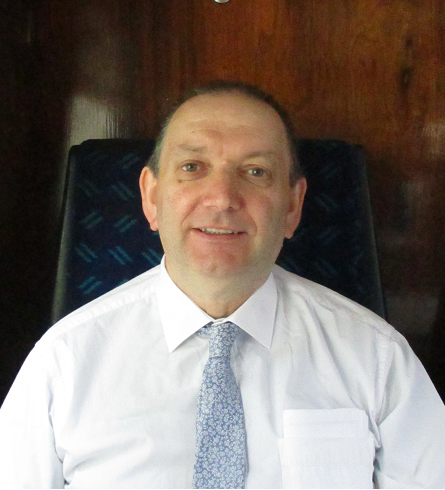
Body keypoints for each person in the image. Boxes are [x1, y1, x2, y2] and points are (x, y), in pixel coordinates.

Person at [1, 81, 445, 489]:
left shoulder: (378, 360)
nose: (222, 198)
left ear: (293, 206)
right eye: (192, 167)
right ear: (151, 196)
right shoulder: (63, 363)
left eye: (255, 172)